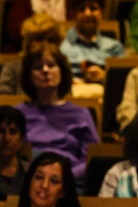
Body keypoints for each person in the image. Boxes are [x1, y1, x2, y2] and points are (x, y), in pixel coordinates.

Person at [16, 45, 99, 185]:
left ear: (62, 72)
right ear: (29, 76)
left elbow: (92, 158)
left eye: (51, 65)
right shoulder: (18, 114)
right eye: (38, 67)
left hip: (69, 181)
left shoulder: (80, 114)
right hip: (27, 181)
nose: (45, 71)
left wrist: (64, 177)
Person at [61, 0, 125, 87]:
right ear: (73, 14)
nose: (88, 13)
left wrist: (105, 77)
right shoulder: (60, 46)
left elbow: (124, 83)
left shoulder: (115, 47)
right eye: (82, 9)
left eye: (93, 8)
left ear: (101, 12)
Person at [0, 14, 63, 95]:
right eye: (39, 39)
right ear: (27, 43)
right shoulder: (12, 69)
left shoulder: (62, 69)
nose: (45, 45)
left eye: (51, 40)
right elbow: (2, 101)